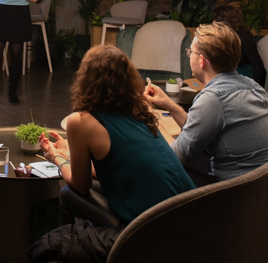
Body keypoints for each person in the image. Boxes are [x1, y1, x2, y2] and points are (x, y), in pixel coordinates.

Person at [41, 44, 195, 224]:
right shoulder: (140, 109)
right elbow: (121, 166)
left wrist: (56, 158)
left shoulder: (81, 121)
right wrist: (69, 153)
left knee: (68, 193)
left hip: (155, 227)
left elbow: (81, 185)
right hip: (191, 210)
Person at [145, 22, 268, 184]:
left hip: (243, 193)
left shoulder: (213, 98)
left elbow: (176, 157)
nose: (189, 55)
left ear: (201, 61)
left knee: (158, 167)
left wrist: (151, 123)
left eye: (190, 52)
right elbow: (199, 130)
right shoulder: (252, 85)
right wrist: (167, 104)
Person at [211, 4, 266, 86]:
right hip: (233, 71)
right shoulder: (224, 36)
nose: (213, 22)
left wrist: (254, 86)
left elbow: (257, 65)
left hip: (247, 72)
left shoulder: (243, 37)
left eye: (216, 20)